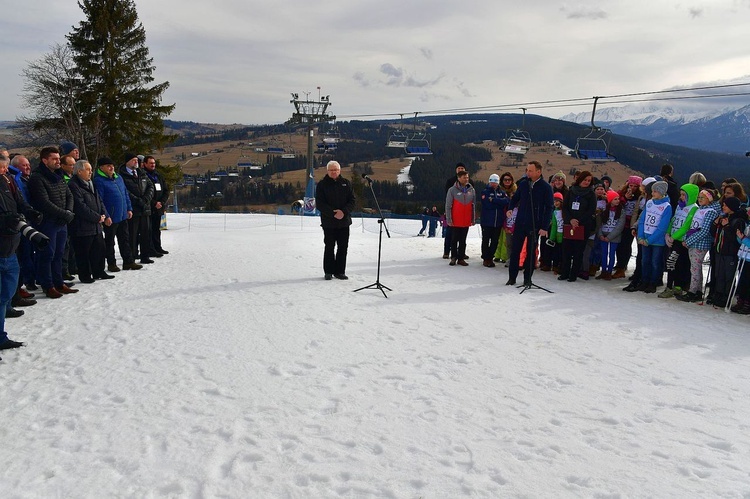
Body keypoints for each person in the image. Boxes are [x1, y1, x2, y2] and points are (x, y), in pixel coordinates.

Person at [0, 154, 39, 352]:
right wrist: (8, 220)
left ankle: (1, 336)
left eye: (5, 167)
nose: (4, 171)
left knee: (5, 295)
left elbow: (19, 202)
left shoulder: (8, 181)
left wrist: (30, 212)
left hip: (10, 246)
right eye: (1, 167)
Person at [28, 146, 78, 298]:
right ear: (45, 160)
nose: (58, 161)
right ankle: (47, 285)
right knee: (47, 254)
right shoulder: (37, 178)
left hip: (61, 222)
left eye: (58, 158)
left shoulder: (59, 175)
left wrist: (68, 212)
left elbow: (69, 195)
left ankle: (58, 282)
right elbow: (43, 202)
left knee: (59, 253)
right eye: (54, 159)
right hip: (47, 222)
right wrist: (65, 213)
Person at [506, 161, 553, 286]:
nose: (528, 173)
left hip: (535, 225)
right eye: (527, 170)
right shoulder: (523, 184)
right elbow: (515, 198)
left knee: (531, 253)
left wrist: (544, 226)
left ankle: (527, 279)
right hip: (520, 223)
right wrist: (510, 208)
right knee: (515, 251)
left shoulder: (545, 187)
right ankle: (512, 278)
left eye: (531, 171)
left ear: (539, 172)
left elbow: (549, 208)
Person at [68, 160, 113, 283]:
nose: (91, 172)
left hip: (96, 226)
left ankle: (99, 271)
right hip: (82, 227)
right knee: (83, 253)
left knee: (99, 249)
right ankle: (85, 275)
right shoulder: (73, 185)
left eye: (91, 169)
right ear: (79, 171)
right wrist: (97, 217)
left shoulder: (90, 183)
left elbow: (99, 201)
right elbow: (80, 207)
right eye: (88, 169)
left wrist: (106, 215)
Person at [93, 157, 140, 271]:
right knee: (110, 242)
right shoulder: (99, 180)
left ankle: (128, 261)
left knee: (125, 239)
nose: (111, 167)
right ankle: (111, 263)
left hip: (122, 214)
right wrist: (106, 215)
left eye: (112, 165)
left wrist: (129, 208)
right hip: (111, 216)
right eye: (108, 165)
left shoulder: (118, 178)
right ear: (101, 167)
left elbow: (125, 194)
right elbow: (100, 200)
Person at [678, 189, 721, 302]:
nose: (700, 199)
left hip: (700, 244)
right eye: (699, 197)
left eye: (703, 197)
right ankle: (697, 291)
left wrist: (688, 241)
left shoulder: (710, 211)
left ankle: (692, 292)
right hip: (693, 241)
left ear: (709, 199)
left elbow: (704, 230)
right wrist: (686, 238)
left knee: (695, 268)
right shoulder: (699, 209)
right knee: (695, 268)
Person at [315, 160, 355, 280]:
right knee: (329, 246)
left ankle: (340, 271)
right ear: (327, 171)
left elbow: (352, 201)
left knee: (343, 247)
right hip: (329, 222)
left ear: (339, 171)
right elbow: (320, 204)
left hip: (344, 221)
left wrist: (343, 212)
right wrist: (333, 214)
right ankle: (328, 271)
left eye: (336, 170)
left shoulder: (346, 183)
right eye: (331, 170)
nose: (334, 172)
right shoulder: (322, 185)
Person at [660, 184, 699, 298]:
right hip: (674, 239)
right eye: (680, 194)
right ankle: (672, 286)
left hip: (682, 240)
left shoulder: (693, 208)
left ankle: (675, 287)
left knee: (674, 262)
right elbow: (673, 220)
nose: (681, 197)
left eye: (684, 195)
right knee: (672, 263)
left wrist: (674, 236)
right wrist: (668, 233)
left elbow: (686, 226)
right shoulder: (679, 206)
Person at [557, 170, 596, 282]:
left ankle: (573, 274)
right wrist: (570, 220)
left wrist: (578, 221)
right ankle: (565, 272)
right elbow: (565, 208)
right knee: (566, 251)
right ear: (580, 180)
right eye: (585, 180)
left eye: (589, 181)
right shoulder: (571, 191)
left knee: (578, 252)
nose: (587, 182)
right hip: (569, 224)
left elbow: (590, 211)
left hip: (583, 226)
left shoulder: (591, 194)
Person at [708, 196, 748, 307]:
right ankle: (718, 294)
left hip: (730, 253)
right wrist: (715, 223)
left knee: (728, 276)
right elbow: (713, 233)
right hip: (719, 250)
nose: (723, 207)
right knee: (719, 275)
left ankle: (727, 296)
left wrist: (727, 226)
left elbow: (735, 239)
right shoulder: (723, 217)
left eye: (725, 205)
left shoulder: (738, 220)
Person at [636, 180, 673, 293]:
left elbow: (662, 227)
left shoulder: (667, 206)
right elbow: (642, 220)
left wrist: (650, 240)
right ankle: (644, 280)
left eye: (655, 191)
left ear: (661, 192)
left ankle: (653, 283)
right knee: (645, 261)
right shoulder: (650, 203)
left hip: (657, 240)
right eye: (652, 191)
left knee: (655, 262)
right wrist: (641, 236)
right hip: (645, 238)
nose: (652, 194)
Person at [120, 153, 154, 265]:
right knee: (132, 235)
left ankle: (145, 256)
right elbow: (125, 191)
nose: (136, 162)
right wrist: (137, 200)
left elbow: (150, 186)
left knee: (146, 234)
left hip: (145, 209)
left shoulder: (142, 173)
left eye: (137, 160)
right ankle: (132, 257)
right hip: (133, 209)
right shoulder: (122, 175)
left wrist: (146, 199)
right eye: (133, 160)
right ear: (127, 162)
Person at [612, 176, 642, 279]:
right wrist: (625, 198)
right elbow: (616, 204)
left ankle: (622, 266)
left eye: (635, 186)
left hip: (631, 224)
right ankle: (619, 264)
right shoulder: (621, 193)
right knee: (618, 245)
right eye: (631, 185)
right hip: (620, 222)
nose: (632, 188)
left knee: (626, 245)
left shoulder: (640, 196)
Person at [446, 170, 476, 266]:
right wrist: (449, 219)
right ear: (459, 178)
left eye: (467, 177)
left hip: (466, 220)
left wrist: (473, 219)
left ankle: (461, 258)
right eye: (464, 177)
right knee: (454, 239)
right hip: (456, 220)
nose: (466, 179)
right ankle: (453, 257)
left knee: (463, 240)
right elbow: (448, 206)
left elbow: (473, 205)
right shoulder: (452, 190)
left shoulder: (471, 190)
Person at [142, 155, 169, 255]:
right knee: (148, 230)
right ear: (145, 164)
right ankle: (150, 249)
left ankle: (158, 247)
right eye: (150, 163)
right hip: (149, 207)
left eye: (154, 163)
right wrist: (154, 203)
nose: (153, 165)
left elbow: (166, 190)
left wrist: (161, 202)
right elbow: (144, 193)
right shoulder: (143, 176)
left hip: (159, 208)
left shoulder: (158, 176)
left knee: (157, 229)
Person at [595, 190, 626, 280]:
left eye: (618, 199)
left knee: (611, 254)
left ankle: (609, 271)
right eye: (615, 199)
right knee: (603, 253)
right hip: (604, 234)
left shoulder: (621, 211)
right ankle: (603, 271)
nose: (617, 201)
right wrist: (600, 235)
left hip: (614, 236)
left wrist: (610, 237)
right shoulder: (603, 210)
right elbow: (599, 224)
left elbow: (620, 226)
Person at [479, 174, 508, 267]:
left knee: (495, 241)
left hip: (498, 222)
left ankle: (490, 257)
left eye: (495, 182)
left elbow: (507, 202)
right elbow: (488, 205)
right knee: (486, 240)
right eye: (492, 182)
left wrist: (494, 200)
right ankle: (485, 258)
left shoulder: (502, 192)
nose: (493, 184)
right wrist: (499, 202)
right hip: (487, 221)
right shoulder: (485, 192)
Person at [443, 163, 467, 259]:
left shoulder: (469, 182)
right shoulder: (450, 181)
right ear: (456, 170)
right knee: (450, 233)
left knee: (462, 236)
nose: (460, 169)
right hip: (453, 211)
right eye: (459, 168)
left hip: (464, 213)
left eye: (462, 168)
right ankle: (446, 252)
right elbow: (448, 197)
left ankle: (461, 253)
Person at [494, 172, 517, 264]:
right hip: (500, 216)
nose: (507, 181)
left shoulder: (515, 190)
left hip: (511, 218)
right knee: (498, 237)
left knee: (506, 240)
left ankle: (505, 256)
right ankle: (497, 255)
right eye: (505, 180)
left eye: (509, 180)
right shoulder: (499, 190)